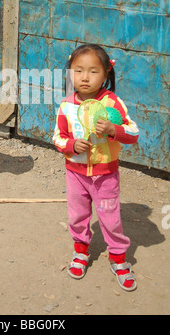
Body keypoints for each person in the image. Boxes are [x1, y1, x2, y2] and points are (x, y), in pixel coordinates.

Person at [53, 43, 139, 291]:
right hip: (75, 175)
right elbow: (57, 136)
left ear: (106, 74)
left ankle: (119, 258)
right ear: (70, 73)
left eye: (93, 71)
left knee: (110, 219)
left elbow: (133, 133)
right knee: (78, 216)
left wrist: (114, 130)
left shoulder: (112, 103)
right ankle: (81, 252)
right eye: (78, 71)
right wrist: (70, 144)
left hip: (105, 175)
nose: (85, 77)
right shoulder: (66, 105)